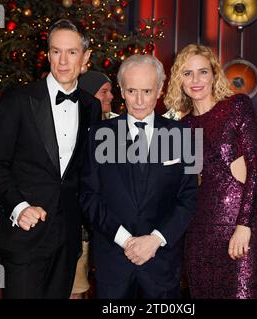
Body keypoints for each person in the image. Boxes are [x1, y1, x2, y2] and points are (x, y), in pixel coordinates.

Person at [0, 19, 101, 298]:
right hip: (25, 234)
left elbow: (89, 171)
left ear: (85, 57)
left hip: (68, 237)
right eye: (56, 51)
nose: (63, 61)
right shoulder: (18, 99)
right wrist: (19, 207)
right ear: (48, 54)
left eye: (71, 52)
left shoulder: (91, 106)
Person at [80, 54, 198, 299]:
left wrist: (155, 240)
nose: (140, 101)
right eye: (132, 91)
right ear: (121, 91)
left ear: (159, 90)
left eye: (147, 91)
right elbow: (89, 196)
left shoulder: (185, 135)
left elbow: (190, 198)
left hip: (162, 263)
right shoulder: (97, 134)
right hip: (114, 261)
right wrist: (125, 240)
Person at [164, 44, 257, 299]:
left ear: (214, 75)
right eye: (187, 73)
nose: (195, 80)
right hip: (199, 233)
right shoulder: (182, 126)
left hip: (240, 229)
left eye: (202, 72)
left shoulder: (237, 106)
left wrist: (244, 225)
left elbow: (255, 168)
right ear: (179, 79)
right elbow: (184, 183)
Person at [68, 71, 117, 299]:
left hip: (110, 226)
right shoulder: (71, 128)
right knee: (74, 288)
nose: (111, 97)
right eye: (104, 92)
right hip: (78, 225)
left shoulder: (117, 127)